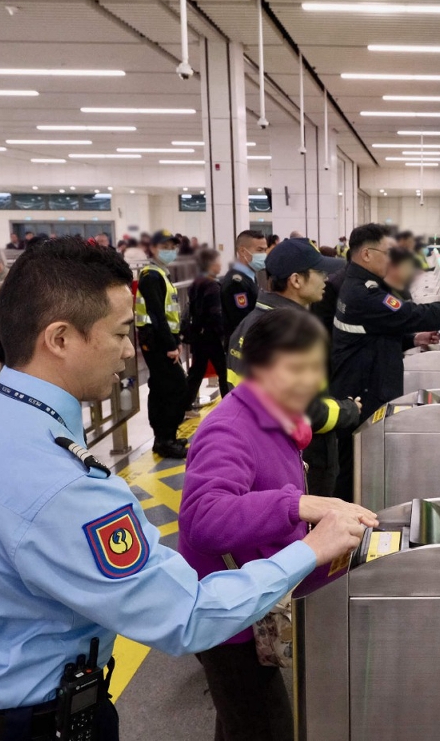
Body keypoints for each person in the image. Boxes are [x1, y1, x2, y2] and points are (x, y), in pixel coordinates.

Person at [0, 237, 366, 741]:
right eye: (121, 332)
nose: (128, 349)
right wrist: (310, 550)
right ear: (60, 338)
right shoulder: (67, 487)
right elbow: (186, 615)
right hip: (33, 726)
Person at [181, 309, 377, 741]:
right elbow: (203, 517)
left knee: (239, 723)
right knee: (263, 727)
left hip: (257, 603)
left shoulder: (276, 420)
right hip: (230, 620)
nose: (311, 381)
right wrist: (297, 504)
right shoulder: (229, 430)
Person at [330, 224, 440, 497]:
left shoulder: (357, 286)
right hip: (363, 395)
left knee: (355, 465)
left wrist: (413, 339)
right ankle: (345, 516)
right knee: (353, 469)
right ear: (367, 254)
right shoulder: (363, 293)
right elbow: (410, 314)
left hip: (360, 387)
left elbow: (374, 331)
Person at [226, 239, 356, 497]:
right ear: (296, 280)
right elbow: (306, 411)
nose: (326, 279)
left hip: (260, 450)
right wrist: (349, 410)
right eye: (320, 273)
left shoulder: (249, 323)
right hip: (299, 457)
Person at [136, 230, 190, 459]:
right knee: (175, 386)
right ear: (153, 249)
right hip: (156, 341)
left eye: (172, 247)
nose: (170, 251)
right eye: (165, 247)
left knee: (161, 387)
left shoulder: (160, 274)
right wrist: (170, 345)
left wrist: (176, 340)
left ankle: (166, 438)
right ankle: (165, 439)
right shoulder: (151, 276)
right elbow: (157, 315)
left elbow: (168, 314)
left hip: (162, 340)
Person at [185, 248, 230, 406]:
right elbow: (215, 314)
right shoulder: (212, 286)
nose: (220, 265)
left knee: (196, 371)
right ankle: (229, 404)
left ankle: (185, 405)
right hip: (212, 337)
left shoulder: (196, 282)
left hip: (198, 334)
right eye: (218, 262)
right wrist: (222, 335)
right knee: (224, 372)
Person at [222, 230, 268, 338]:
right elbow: (242, 321)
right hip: (242, 343)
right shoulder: (236, 283)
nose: (264, 255)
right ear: (243, 251)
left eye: (265, 250)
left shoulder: (250, 277)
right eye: (259, 250)